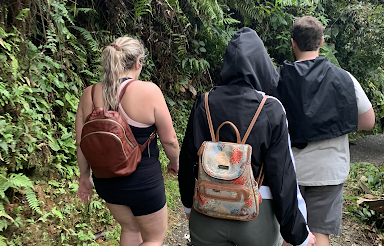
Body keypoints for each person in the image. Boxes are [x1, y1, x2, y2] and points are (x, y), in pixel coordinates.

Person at [178, 27, 316, 246]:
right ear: (261, 64)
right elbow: (282, 177)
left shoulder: (203, 103)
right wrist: (298, 234)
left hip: (206, 212)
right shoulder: (271, 108)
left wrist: (188, 206)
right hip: (256, 217)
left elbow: (186, 161)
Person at [276, 16, 375, 246]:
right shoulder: (344, 78)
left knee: (289, 233)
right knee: (320, 233)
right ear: (321, 42)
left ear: (293, 43)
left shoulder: (279, 79)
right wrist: (338, 123)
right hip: (329, 171)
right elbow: (368, 121)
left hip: (290, 171)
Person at [75, 36, 180, 246]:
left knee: (130, 229)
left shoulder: (89, 94)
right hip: (143, 182)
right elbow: (169, 141)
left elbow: (81, 144)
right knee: (154, 238)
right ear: (137, 63)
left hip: (106, 181)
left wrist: (84, 177)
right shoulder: (149, 91)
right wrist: (175, 162)